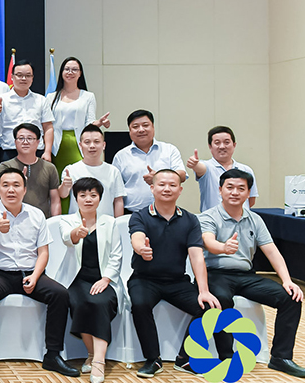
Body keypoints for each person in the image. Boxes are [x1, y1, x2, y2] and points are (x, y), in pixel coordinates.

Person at [198, 169, 305, 377]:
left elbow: (272, 251)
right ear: (220, 190)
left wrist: (287, 280)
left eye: (241, 188)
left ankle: (281, 357)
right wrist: (223, 247)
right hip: (216, 274)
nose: (235, 192)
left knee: (290, 298)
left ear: (248, 193)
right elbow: (208, 242)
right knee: (221, 299)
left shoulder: (255, 219)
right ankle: (226, 357)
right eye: (229, 187)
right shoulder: (208, 217)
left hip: (246, 275)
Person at [0, 167, 78, 378]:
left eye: (16, 185)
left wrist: (35, 276)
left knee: (60, 294)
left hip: (31, 272)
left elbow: (43, 252)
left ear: (24, 189)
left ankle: (53, 355)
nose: (10, 190)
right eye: (5, 185)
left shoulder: (36, 214)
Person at [128, 169, 221, 377]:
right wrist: (141, 249)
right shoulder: (140, 215)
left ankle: (185, 359)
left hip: (177, 281)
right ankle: (153, 359)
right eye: (161, 184)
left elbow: (196, 256)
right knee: (140, 304)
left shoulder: (190, 220)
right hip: (144, 279)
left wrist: (203, 290)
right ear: (152, 188)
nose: (167, 189)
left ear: (180, 190)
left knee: (208, 308)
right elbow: (137, 237)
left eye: (172, 185)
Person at [56, 177, 123, 383]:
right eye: (83, 195)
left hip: (103, 279)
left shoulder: (110, 222)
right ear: (76, 198)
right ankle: (92, 353)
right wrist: (77, 233)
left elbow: (116, 255)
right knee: (81, 302)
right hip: (76, 279)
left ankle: (98, 362)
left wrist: (106, 279)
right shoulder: (67, 221)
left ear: (100, 198)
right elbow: (67, 238)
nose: (88, 199)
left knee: (99, 303)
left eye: (93, 195)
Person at [44, 57, 109, 179]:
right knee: (57, 178)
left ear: (80, 73)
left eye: (74, 69)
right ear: (62, 72)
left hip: (78, 143)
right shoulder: (51, 97)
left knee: (80, 177)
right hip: (55, 144)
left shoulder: (88, 96)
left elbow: (89, 123)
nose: (70, 72)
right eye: (67, 69)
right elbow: (47, 124)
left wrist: (99, 123)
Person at [113, 110, 187, 214]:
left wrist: (158, 178)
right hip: (132, 213)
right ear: (129, 131)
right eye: (135, 127)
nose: (141, 130)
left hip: (165, 213)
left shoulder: (169, 150)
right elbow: (116, 192)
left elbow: (182, 175)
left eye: (145, 125)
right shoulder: (121, 156)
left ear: (153, 127)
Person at [0, 59, 54, 161]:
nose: (23, 78)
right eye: (19, 75)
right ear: (12, 77)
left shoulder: (41, 100)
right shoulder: (2, 99)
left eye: (28, 75)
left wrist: (47, 152)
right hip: (11, 150)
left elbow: (48, 127)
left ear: (32, 78)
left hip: (36, 151)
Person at [59, 124, 126, 217]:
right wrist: (65, 186)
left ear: (103, 145)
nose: (92, 146)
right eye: (87, 142)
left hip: (106, 223)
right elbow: (63, 195)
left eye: (96, 142)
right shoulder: (70, 170)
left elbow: (118, 200)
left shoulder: (113, 171)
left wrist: (117, 222)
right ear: (80, 145)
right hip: (78, 223)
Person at [187, 125, 258, 212]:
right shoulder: (207, 166)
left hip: (241, 219)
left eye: (226, 142)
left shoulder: (246, 170)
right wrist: (194, 164)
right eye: (217, 143)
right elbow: (199, 168)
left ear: (234, 145)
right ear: (210, 146)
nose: (222, 146)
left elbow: (251, 200)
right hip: (213, 219)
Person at [0, 123, 61, 218]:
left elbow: (55, 200)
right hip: (14, 220)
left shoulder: (49, 167)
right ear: (15, 142)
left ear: (38, 142)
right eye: (21, 138)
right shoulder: (6, 166)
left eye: (30, 138)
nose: (25, 142)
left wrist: (54, 222)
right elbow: (2, 197)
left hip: (43, 221)